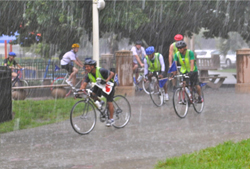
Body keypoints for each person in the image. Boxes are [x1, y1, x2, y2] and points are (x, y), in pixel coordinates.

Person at [80, 59, 115, 127]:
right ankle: (101, 102)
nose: (86, 68)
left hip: (109, 84)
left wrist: (106, 80)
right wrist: (78, 92)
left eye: (87, 67)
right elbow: (83, 85)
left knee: (109, 101)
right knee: (91, 94)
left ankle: (111, 119)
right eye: (85, 67)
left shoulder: (101, 70)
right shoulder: (88, 74)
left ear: (92, 66)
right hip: (100, 85)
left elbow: (112, 73)